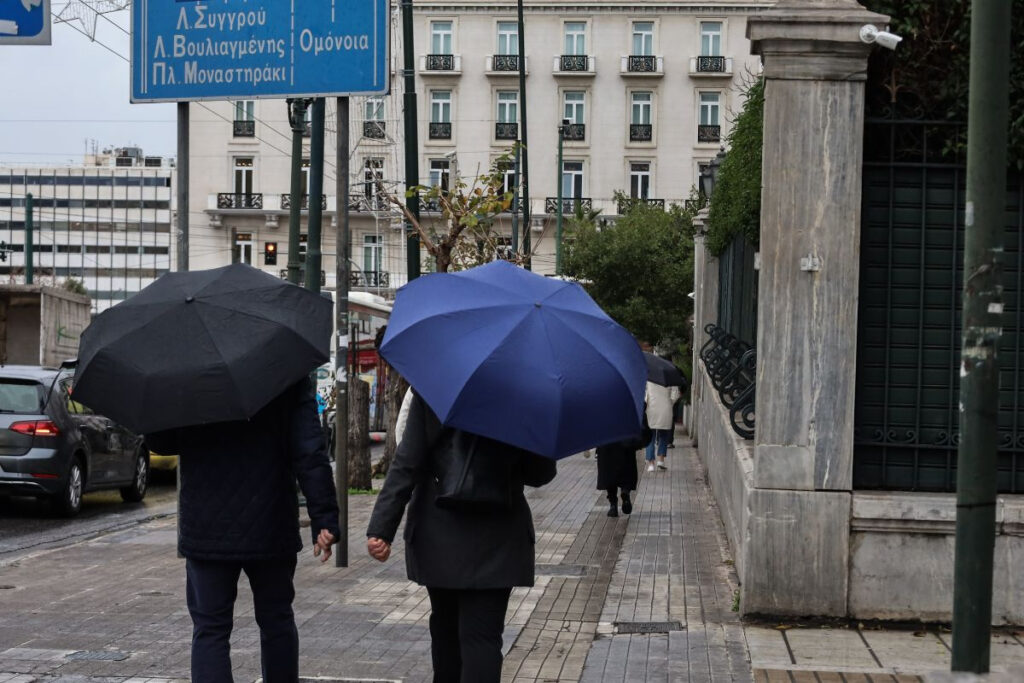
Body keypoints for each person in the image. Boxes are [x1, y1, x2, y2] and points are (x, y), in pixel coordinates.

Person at [145, 377, 339, 683]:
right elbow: (309, 450)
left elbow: (163, 441)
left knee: (211, 629)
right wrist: (324, 517)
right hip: (270, 518)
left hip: (207, 524)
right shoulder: (287, 366)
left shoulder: (189, 369)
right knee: (276, 620)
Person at [366, 391, 557, 682]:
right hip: (499, 536)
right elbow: (540, 473)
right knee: (483, 637)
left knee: (445, 631)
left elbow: (408, 462)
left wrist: (382, 527)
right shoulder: (524, 393)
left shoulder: (436, 386)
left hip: (440, 533)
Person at [596, 414, 651, 517]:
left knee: (609, 473)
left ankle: (613, 505)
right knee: (626, 470)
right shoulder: (629, 399)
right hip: (626, 441)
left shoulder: (602, 401)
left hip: (607, 441)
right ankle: (625, 492)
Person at [644, 381, 679, 471]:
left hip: (651, 409)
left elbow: (644, 394)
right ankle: (661, 460)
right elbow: (675, 394)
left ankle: (651, 464)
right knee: (664, 435)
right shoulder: (669, 376)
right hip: (665, 409)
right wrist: (669, 403)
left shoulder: (649, 377)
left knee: (650, 437)